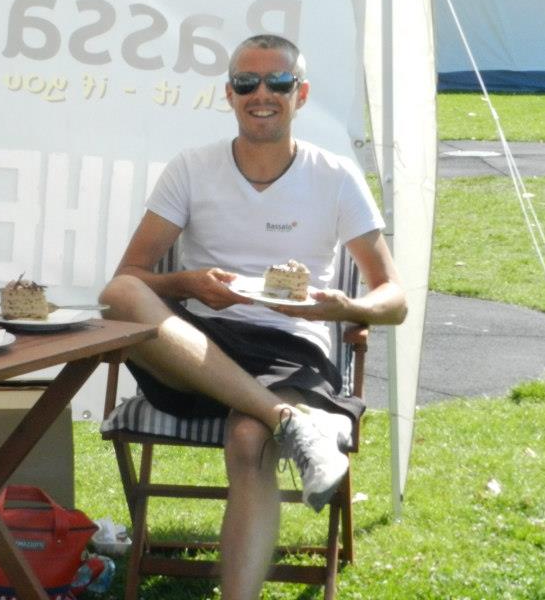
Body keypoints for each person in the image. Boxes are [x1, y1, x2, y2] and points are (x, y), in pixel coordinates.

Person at [99, 34, 407, 600]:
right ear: (229, 93)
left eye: (277, 82)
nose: (261, 94)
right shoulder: (192, 168)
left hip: (291, 344)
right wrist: (187, 283)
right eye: (246, 82)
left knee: (248, 441)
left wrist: (347, 307)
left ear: (301, 94)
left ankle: (274, 424)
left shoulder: (334, 175)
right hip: (198, 346)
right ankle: (289, 421)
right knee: (118, 294)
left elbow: (395, 297)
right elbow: (131, 275)